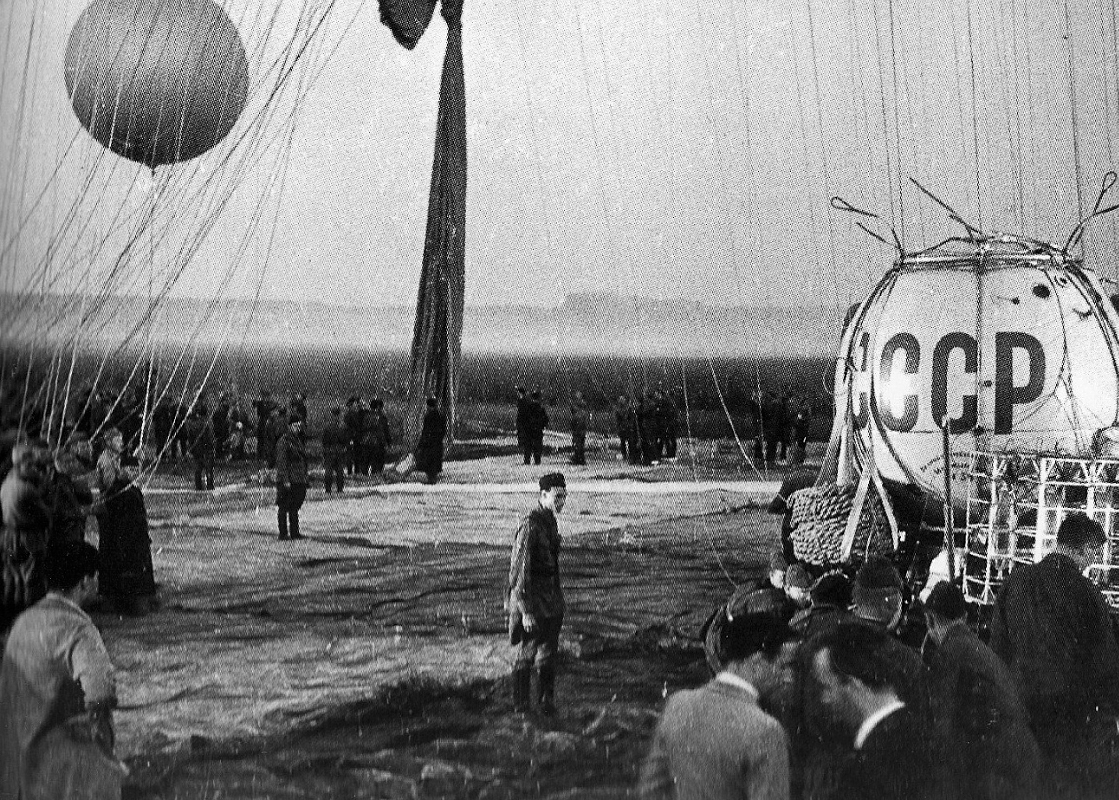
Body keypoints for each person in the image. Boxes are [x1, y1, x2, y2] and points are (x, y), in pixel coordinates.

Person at [990, 512, 1119, 797]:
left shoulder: (1015, 581)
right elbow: (1105, 666)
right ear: (1085, 549)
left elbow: (997, 650)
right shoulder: (1088, 594)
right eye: (1093, 555)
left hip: (1017, 712)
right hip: (1066, 720)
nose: (1092, 562)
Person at [0, 540, 125, 799]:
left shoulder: (23, 622)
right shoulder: (78, 628)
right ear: (85, 582)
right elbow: (101, 692)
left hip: (17, 763)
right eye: (96, 576)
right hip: (63, 769)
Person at [639, 611, 795, 800]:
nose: (788, 677)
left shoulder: (678, 705)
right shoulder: (767, 730)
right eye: (785, 665)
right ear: (756, 663)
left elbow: (651, 791)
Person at [923, 581, 1038, 800]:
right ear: (964, 617)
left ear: (930, 620)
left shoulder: (950, 653)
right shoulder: (978, 649)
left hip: (1000, 773)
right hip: (1021, 762)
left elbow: (943, 731)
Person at [809, 622, 938, 800]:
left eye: (827, 687)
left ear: (854, 684)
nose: (824, 699)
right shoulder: (932, 740)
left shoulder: (862, 773)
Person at [507, 472, 567, 716]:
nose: (561, 502)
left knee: (548, 653)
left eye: (564, 497)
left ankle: (546, 703)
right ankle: (521, 707)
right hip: (532, 602)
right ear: (543, 495)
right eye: (557, 496)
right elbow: (519, 572)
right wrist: (525, 612)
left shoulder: (550, 522)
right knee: (527, 653)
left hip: (551, 601)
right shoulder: (530, 526)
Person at [94, 429, 156, 614]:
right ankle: (121, 598)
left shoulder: (120, 464)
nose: (121, 442)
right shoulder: (107, 462)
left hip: (129, 527)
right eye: (118, 439)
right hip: (120, 525)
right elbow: (111, 487)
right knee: (120, 560)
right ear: (109, 441)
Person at [0, 441, 51, 634]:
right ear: (24, 464)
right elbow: (46, 515)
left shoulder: (7, 483)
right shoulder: (27, 489)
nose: (33, 469)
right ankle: (32, 623)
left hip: (9, 537)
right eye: (30, 465)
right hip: (28, 538)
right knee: (32, 580)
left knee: (14, 581)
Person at [275, 415, 308, 540]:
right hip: (288, 479)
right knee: (283, 506)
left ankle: (295, 532)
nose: (297, 428)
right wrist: (285, 480)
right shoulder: (284, 441)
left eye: (299, 426)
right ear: (289, 426)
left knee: (294, 506)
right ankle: (283, 533)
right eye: (295, 426)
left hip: (297, 478)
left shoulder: (297, 440)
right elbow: (281, 462)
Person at [414, 397, 446, 484]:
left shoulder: (428, 416)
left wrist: (421, 443)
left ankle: (431, 479)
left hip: (429, 442)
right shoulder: (441, 415)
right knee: (436, 461)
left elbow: (425, 431)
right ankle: (433, 478)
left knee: (429, 461)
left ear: (428, 406)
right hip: (438, 442)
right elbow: (444, 430)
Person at [183, 406, 215, 491]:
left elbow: (190, 438)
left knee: (198, 469)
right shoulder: (207, 423)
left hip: (197, 450)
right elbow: (209, 437)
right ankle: (210, 486)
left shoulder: (193, 424)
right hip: (206, 449)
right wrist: (211, 446)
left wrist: (191, 449)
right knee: (208, 469)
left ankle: (198, 486)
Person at [321, 407, 348, 493]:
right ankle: (340, 489)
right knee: (340, 470)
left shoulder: (327, 426)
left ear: (331, 414)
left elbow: (324, 441)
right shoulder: (343, 426)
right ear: (339, 414)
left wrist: (325, 449)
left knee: (328, 470)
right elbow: (345, 439)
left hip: (329, 450)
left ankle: (328, 489)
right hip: (340, 450)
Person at [367, 399, 392, 475]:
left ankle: (373, 473)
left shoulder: (368, 416)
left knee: (373, 459)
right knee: (380, 459)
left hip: (370, 441)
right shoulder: (382, 417)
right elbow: (386, 431)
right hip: (379, 441)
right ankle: (377, 474)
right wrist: (389, 442)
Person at [525, 390, 548, 466]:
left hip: (529, 429)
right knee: (538, 445)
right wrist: (543, 426)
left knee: (528, 445)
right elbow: (545, 419)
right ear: (538, 398)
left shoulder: (528, 407)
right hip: (538, 429)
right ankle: (537, 460)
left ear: (532, 398)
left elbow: (525, 418)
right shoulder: (541, 408)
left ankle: (527, 460)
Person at [569, 391, 588, 466]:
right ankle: (580, 458)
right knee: (580, 445)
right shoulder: (583, 412)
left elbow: (573, 422)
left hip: (578, 431)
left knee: (578, 445)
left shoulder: (577, 413)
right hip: (581, 431)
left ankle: (578, 459)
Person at [515, 387, 532, 465]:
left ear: (520, 392)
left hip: (524, 424)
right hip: (525, 424)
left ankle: (527, 460)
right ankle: (527, 459)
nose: (517, 393)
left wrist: (519, 423)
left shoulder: (523, 401)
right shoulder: (525, 401)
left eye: (518, 392)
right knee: (526, 442)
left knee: (526, 442)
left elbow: (522, 414)